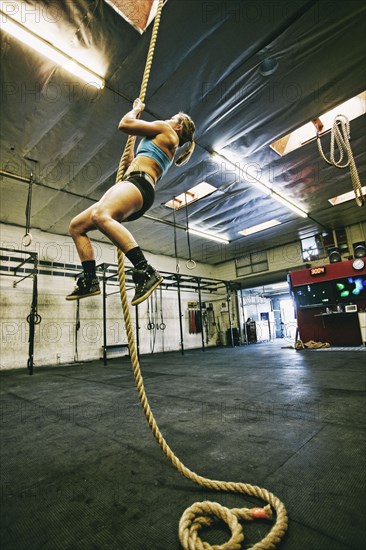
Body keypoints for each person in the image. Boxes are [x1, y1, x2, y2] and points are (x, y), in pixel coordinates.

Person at [66, 98, 195, 306]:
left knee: (100, 215)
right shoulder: (164, 146)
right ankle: (90, 279)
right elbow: (130, 164)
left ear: (178, 126)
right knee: (76, 227)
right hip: (135, 186)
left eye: (172, 119)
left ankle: (145, 270)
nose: (167, 119)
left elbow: (124, 124)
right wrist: (132, 142)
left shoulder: (166, 130)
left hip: (138, 186)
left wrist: (136, 109)